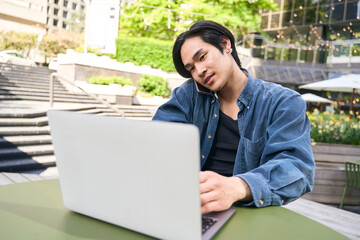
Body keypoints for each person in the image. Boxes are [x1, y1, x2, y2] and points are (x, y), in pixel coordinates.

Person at [152, 20, 315, 214]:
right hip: (191, 208)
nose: (199, 71)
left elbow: (297, 168)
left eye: (202, 57)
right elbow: (156, 140)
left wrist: (237, 187)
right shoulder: (189, 95)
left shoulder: (282, 102)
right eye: (191, 69)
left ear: (225, 44)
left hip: (249, 212)